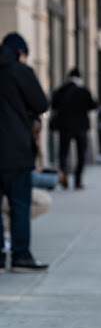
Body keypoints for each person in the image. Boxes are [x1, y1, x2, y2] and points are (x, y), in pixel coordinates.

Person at [0, 32, 49, 272]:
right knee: (19, 205)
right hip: (15, 151)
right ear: (20, 53)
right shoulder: (20, 72)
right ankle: (21, 257)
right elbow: (41, 104)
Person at [50, 67, 97, 189]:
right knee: (81, 154)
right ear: (79, 78)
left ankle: (63, 174)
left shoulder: (61, 90)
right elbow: (92, 105)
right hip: (81, 127)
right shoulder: (83, 91)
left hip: (64, 127)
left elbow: (53, 105)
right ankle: (77, 180)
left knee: (63, 153)